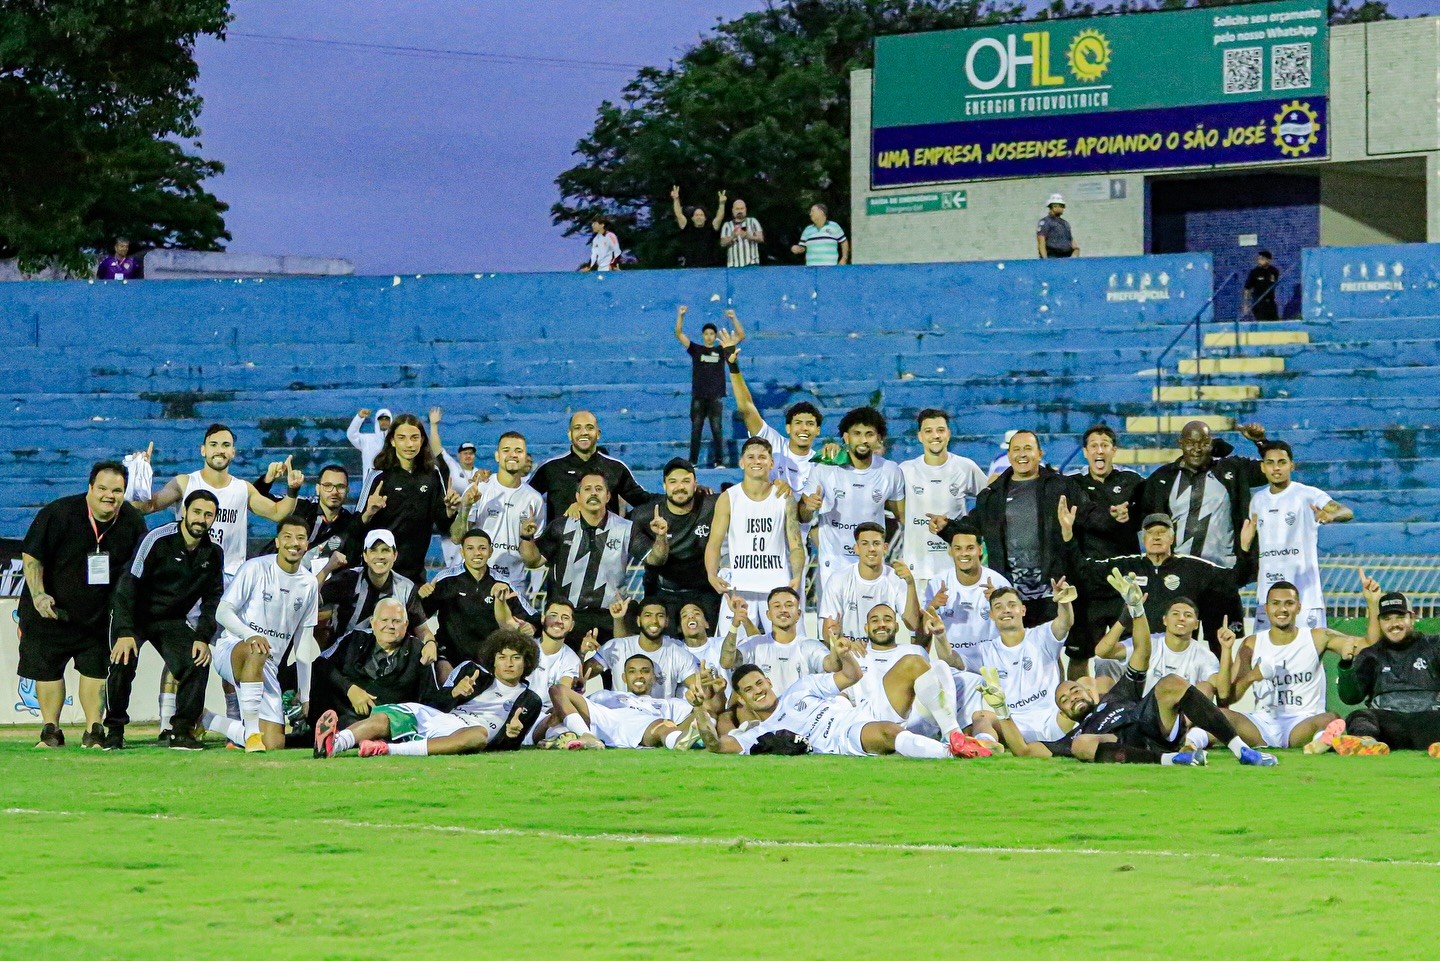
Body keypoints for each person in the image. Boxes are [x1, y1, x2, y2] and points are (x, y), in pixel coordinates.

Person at [979, 569, 1276, 766]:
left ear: (1086, 687)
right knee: (1082, 744)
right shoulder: (1068, 738)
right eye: (1065, 701)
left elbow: (1142, 655)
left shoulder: (1115, 697)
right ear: (1063, 713)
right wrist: (1003, 711)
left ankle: (1243, 751)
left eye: (1072, 690)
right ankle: (1172, 761)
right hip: (1128, 747)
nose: (1072, 698)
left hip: (1154, 724)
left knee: (1171, 682)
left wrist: (1136, 611)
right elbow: (1023, 750)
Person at [20, 461, 149, 748]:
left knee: (95, 670)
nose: (109, 496)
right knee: (48, 670)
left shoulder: (131, 520)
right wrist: (39, 595)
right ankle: (51, 729)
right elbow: (32, 557)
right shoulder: (58, 513)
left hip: (98, 614)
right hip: (51, 610)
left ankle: (94, 730)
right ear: (90, 488)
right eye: (102, 488)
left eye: (117, 490)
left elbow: (137, 571)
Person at [692, 636, 981, 759]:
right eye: (750, 690)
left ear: (769, 681)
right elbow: (716, 746)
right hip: (845, 734)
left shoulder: (800, 687)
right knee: (888, 732)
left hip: (865, 708)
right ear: (741, 699)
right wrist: (697, 710)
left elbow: (851, 677)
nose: (759, 691)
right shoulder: (760, 734)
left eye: (760, 683)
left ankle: (954, 736)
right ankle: (949, 754)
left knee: (913, 663)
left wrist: (844, 656)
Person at [105, 489, 225, 750]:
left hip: (170, 619)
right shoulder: (156, 538)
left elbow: (213, 600)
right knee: (122, 662)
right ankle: (114, 730)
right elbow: (127, 584)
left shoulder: (213, 553)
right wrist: (125, 631)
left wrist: (203, 637)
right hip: (135, 616)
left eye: (208, 515)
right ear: (183, 512)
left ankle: (182, 731)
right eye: (196, 512)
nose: (201, 519)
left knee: (198, 660)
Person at [315, 627, 543, 757]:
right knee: (386, 718)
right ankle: (334, 744)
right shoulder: (471, 671)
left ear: (527, 662)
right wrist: (454, 693)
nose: (508, 664)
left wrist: (512, 735)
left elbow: (507, 745)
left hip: (469, 732)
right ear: (493, 660)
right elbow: (432, 701)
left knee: (477, 735)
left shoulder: (530, 699)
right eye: (502, 657)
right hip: (443, 717)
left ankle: (387, 749)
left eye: (516, 658)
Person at [200, 517, 320, 752]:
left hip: (268, 666)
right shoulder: (255, 568)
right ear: (277, 542)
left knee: (274, 744)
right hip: (234, 650)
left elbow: (303, 644)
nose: (293, 543)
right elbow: (223, 612)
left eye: (300, 538)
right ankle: (252, 732)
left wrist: (305, 695)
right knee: (257, 649)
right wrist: (249, 635)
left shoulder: (309, 584)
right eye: (287, 537)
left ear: (307, 544)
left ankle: (206, 719)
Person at [1061, 507, 1242, 655]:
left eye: (1162, 532)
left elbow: (1235, 578)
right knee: (1103, 669)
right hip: (1131, 649)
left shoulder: (1194, 568)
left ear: (1172, 538)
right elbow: (1083, 571)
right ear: (1143, 538)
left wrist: (1246, 549)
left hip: (1178, 650)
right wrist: (1068, 536)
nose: (1156, 537)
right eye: (1150, 533)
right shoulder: (1126, 566)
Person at [134, 423, 302, 580]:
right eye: (213, 444)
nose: (220, 450)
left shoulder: (243, 488)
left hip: (230, 577)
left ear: (233, 452)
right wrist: (139, 475)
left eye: (226, 445)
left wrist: (292, 489)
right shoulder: (184, 483)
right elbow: (146, 507)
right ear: (203, 450)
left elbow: (279, 513)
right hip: (189, 575)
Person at [520, 471, 665, 645]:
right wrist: (526, 538)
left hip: (610, 616)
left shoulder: (626, 529)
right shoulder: (560, 527)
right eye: (587, 489)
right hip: (568, 616)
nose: (594, 493)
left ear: (608, 496)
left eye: (599, 489)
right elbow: (533, 561)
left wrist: (661, 537)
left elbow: (656, 559)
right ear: (578, 497)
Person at [1217, 581, 1352, 752]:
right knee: (1218, 715)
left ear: (1299, 607)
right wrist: (1252, 676)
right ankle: (1190, 746)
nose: (1282, 609)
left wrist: (1372, 603)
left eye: (1289, 603)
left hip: (1302, 722)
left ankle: (1319, 743)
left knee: (1330, 718)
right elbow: (1227, 699)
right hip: (1262, 724)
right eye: (1275, 603)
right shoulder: (1252, 643)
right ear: (1266, 608)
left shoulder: (1316, 637)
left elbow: (1362, 643)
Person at [799, 407, 905, 598]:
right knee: (831, 625)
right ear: (846, 438)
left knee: (872, 623)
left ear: (879, 438)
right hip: (834, 564)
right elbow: (803, 516)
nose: (863, 440)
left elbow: (903, 516)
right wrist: (808, 506)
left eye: (869, 434)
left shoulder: (890, 471)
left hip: (871, 563)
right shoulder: (824, 468)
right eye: (857, 434)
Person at [1139, 420, 1268, 577]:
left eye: (1203, 443)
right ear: (1180, 443)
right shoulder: (1162, 478)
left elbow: (1273, 469)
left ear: (1212, 444)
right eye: (1190, 443)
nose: (1197, 449)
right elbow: (1143, 518)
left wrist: (1261, 442)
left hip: (1223, 572)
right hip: (1177, 573)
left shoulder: (1232, 469)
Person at [1063, 425, 1144, 672]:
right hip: (1088, 584)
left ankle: (1134, 705)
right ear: (1085, 452)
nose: (1100, 451)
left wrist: (1131, 514)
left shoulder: (1133, 482)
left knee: (1134, 648)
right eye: (1094, 446)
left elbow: (1149, 514)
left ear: (1114, 450)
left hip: (1125, 582)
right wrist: (1109, 516)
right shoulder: (1072, 485)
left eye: (1105, 445)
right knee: (1080, 654)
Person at [968, 429, 1069, 626]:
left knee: (1049, 650)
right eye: (1016, 449)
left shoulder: (1060, 486)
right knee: (1014, 644)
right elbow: (973, 523)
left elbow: (1087, 516)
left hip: (1051, 589)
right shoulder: (994, 493)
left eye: (1028, 448)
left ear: (1040, 453)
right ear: (1009, 454)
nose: (1022, 454)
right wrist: (946, 527)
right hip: (1009, 590)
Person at [1248, 440, 1352, 630]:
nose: (1276, 468)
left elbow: (1346, 511)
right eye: (1270, 463)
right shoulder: (1257, 501)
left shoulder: (1307, 494)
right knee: (1264, 657)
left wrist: (1331, 515)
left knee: (1309, 656)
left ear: (1292, 465)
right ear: (1263, 467)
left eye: (1282, 462)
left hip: (1306, 597)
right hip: (1268, 597)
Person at [706, 438, 805, 635]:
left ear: (771, 463)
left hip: (777, 585)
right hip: (740, 586)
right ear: (742, 462)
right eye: (751, 457)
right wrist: (711, 573)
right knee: (733, 651)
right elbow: (714, 543)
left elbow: (796, 543)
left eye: (762, 457)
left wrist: (798, 574)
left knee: (787, 647)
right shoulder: (728, 498)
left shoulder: (785, 497)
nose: (756, 461)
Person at [1334, 584, 1440, 755]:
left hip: (1428, 720)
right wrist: (1346, 665)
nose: (1394, 624)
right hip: (1390, 727)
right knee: (1359, 716)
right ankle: (1366, 743)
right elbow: (1350, 697)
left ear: (1411, 618)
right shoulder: (1371, 655)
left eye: (1399, 617)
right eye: (1387, 619)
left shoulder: (1434, 646)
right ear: (1379, 622)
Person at [356, 413, 460, 584]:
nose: (409, 444)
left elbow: (444, 525)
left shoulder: (432, 476)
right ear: (392, 441)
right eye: (402, 438)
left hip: (415, 574)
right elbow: (356, 525)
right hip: (379, 573)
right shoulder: (378, 476)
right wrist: (368, 512)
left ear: (422, 441)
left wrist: (449, 511)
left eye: (414, 438)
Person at [310, 596, 440, 730]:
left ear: (406, 624)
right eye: (384, 620)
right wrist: (350, 689)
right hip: (343, 712)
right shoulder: (354, 639)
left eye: (396, 621)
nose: (390, 626)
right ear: (373, 623)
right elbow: (320, 663)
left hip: (390, 726)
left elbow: (430, 699)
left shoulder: (419, 651)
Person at [970, 583, 1074, 743]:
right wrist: (941, 635)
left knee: (1086, 687)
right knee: (980, 717)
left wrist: (1064, 602)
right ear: (991, 615)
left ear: (1023, 610)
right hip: (1013, 726)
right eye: (998, 607)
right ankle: (986, 746)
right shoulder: (986, 650)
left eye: (1012, 605)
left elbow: (1064, 623)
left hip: (1052, 720)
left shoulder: (1042, 635)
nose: (1006, 610)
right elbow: (952, 659)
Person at [546, 653, 711, 751]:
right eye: (632, 672)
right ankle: (587, 737)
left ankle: (677, 741)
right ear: (624, 677)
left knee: (664, 725)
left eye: (645, 671)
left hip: (645, 725)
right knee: (558, 690)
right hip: (606, 719)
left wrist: (705, 697)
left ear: (654, 677)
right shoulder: (605, 695)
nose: (639, 676)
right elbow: (566, 707)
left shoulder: (667, 704)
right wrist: (577, 689)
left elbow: (707, 711)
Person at [451, 430, 546, 597]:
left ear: (525, 457)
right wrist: (465, 508)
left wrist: (526, 538)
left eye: (518, 451)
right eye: (506, 450)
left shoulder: (534, 499)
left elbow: (532, 561)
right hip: (475, 580)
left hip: (513, 585)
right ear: (497, 456)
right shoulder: (480, 488)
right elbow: (457, 537)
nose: (513, 455)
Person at [420, 529, 531, 671]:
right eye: (470, 548)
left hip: (489, 659)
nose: (477, 553)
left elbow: (530, 616)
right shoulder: (445, 580)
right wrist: (423, 597)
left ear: (490, 551)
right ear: (462, 552)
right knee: (444, 675)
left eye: (482, 548)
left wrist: (530, 626)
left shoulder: (503, 583)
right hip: (449, 656)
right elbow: (421, 616)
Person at [899, 409, 987, 584]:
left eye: (940, 430)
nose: (935, 436)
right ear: (920, 436)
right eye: (928, 431)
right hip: (918, 569)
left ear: (948, 433)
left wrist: (971, 525)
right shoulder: (905, 470)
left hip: (956, 569)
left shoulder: (965, 467)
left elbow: (991, 500)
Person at [632, 458, 721, 627]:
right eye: (673, 482)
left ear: (695, 484)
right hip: (662, 593)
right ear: (664, 485)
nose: (679, 487)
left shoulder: (713, 505)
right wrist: (661, 536)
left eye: (686, 481)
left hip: (706, 592)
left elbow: (749, 497)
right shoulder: (643, 516)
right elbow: (656, 561)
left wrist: (776, 484)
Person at [528, 410, 652, 521]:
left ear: (598, 433)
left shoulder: (616, 467)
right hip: (561, 544)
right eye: (577, 428)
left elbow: (642, 501)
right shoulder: (550, 468)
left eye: (589, 427)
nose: (584, 433)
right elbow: (524, 499)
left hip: (605, 544)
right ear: (569, 434)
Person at [922, 518, 1010, 672]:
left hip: (994, 665)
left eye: (970, 548)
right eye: (958, 548)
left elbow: (1014, 629)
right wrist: (933, 606)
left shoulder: (999, 583)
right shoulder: (936, 584)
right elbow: (923, 631)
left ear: (980, 549)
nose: (964, 554)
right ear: (950, 551)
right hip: (953, 666)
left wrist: (999, 604)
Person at [317, 529, 430, 646]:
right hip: (345, 655)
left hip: (388, 659)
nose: (380, 556)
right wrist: (327, 569)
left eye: (385, 550)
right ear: (365, 556)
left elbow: (422, 630)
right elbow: (310, 602)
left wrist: (430, 643)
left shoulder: (406, 587)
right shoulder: (348, 579)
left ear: (395, 555)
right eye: (373, 550)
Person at [1091, 597, 1221, 698]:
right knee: (1104, 663)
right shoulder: (1150, 643)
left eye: (1188, 615)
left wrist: (1226, 650)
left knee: (1206, 688)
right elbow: (1102, 652)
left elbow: (1223, 692)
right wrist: (1124, 618)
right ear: (1165, 620)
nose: (1181, 618)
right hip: (1141, 713)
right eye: (1175, 614)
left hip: (1181, 719)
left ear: (1196, 625)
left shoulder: (1204, 655)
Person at [818, 523, 917, 642]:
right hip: (849, 652)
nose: (871, 549)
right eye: (865, 544)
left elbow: (913, 624)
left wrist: (911, 584)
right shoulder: (838, 579)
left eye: (876, 543)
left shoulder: (896, 578)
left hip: (884, 651)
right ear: (856, 548)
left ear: (885, 548)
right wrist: (845, 644)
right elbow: (827, 633)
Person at [256, 463, 361, 572]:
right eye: (328, 486)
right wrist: (268, 478)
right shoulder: (301, 506)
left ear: (347, 491)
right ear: (318, 488)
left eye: (340, 487)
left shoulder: (348, 523)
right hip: (272, 572)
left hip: (314, 583)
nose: (334, 492)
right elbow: (257, 499)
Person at [588, 597, 700, 700]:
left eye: (660, 616)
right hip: (621, 716)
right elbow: (578, 677)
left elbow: (698, 688)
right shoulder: (616, 647)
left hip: (660, 718)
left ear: (667, 621)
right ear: (638, 620)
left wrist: (705, 685)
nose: (654, 621)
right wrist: (583, 652)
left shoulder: (678, 653)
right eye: (648, 615)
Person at [674, 305, 745, 467]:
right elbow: (678, 334)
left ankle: (719, 461)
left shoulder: (721, 351)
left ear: (715, 336)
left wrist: (733, 318)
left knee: (717, 430)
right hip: (698, 397)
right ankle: (693, 462)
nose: (709, 337)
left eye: (712, 334)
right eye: (706, 334)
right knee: (696, 430)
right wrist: (681, 316)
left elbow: (741, 335)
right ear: (703, 335)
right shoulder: (696, 350)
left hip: (715, 397)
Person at [728, 587, 828, 695]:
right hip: (766, 709)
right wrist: (734, 625)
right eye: (777, 606)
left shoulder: (811, 646)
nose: (783, 610)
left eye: (789, 605)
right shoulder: (757, 643)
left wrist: (838, 652)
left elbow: (832, 666)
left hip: (802, 709)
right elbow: (727, 662)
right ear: (768, 614)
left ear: (798, 614)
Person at [427, 407, 483, 567]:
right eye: (464, 453)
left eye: (471, 453)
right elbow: (437, 449)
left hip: (474, 524)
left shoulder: (481, 474)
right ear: (459, 455)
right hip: (452, 523)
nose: (468, 455)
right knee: (453, 566)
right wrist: (434, 426)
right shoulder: (453, 467)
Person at [527, 599, 586, 721]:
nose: (558, 621)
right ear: (543, 619)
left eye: (565, 617)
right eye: (553, 615)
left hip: (547, 716)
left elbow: (562, 692)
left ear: (571, 626)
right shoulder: (525, 648)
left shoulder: (571, 659)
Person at [670, 186, 721, 268]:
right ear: (692, 218)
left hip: (710, 270)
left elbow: (719, 217)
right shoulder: (687, 228)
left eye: (701, 215)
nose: (699, 217)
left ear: (705, 218)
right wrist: (676, 199)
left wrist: (722, 204)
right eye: (696, 215)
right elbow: (679, 215)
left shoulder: (711, 229)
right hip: (691, 269)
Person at [718, 193, 763, 268]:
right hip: (733, 265)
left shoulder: (753, 221)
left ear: (745, 209)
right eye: (737, 209)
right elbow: (722, 243)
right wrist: (732, 237)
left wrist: (748, 236)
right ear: (733, 210)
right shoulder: (727, 225)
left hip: (752, 264)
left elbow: (761, 238)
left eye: (742, 209)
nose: (740, 211)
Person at [347, 408, 392, 475]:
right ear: (377, 421)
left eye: (387, 419)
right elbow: (351, 435)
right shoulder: (367, 440)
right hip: (371, 483)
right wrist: (359, 418)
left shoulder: (396, 441)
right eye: (381, 419)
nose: (384, 422)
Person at [1036, 194, 1078, 258]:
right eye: (1061, 206)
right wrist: (1045, 259)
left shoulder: (1065, 223)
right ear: (1054, 206)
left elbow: (1070, 239)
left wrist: (1076, 250)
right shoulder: (1045, 222)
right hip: (1053, 257)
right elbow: (1041, 241)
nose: (1063, 209)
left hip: (1066, 257)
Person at [1243, 250, 1282, 320]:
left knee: (1275, 322)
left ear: (1268, 260)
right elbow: (1247, 288)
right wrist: (1246, 304)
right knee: (1262, 322)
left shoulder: (1274, 271)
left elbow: (1274, 283)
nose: (1259, 261)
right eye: (1258, 259)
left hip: (1271, 302)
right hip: (1259, 302)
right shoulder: (1254, 272)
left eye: (1262, 259)